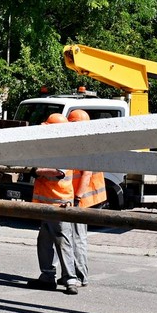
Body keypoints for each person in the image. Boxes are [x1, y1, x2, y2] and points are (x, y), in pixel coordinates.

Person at [26, 113, 81, 295]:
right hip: (48, 205)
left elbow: (59, 172)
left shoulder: (62, 149)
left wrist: (36, 171)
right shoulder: (52, 147)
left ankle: (70, 279)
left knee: (63, 242)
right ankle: (48, 276)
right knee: (45, 241)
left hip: (59, 205)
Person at [67, 108, 107, 287]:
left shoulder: (83, 143)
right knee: (77, 237)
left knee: (77, 237)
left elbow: (86, 174)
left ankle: (80, 275)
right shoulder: (88, 140)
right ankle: (77, 274)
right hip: (85, 197)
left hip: (81, 198)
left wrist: (77, 197)